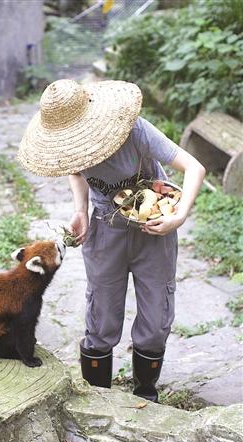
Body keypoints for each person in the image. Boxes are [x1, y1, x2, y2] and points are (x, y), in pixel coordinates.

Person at [17, 79, 205, 402]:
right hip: (105, 229)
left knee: (157, 319)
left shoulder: (132, 129)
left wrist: (179, 215)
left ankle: (146, 395)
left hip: (152, 227)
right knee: (101, 318)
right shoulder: (69, 145)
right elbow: (75, 171)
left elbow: (194, 167)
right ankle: (98, 400)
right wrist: (81, 209)